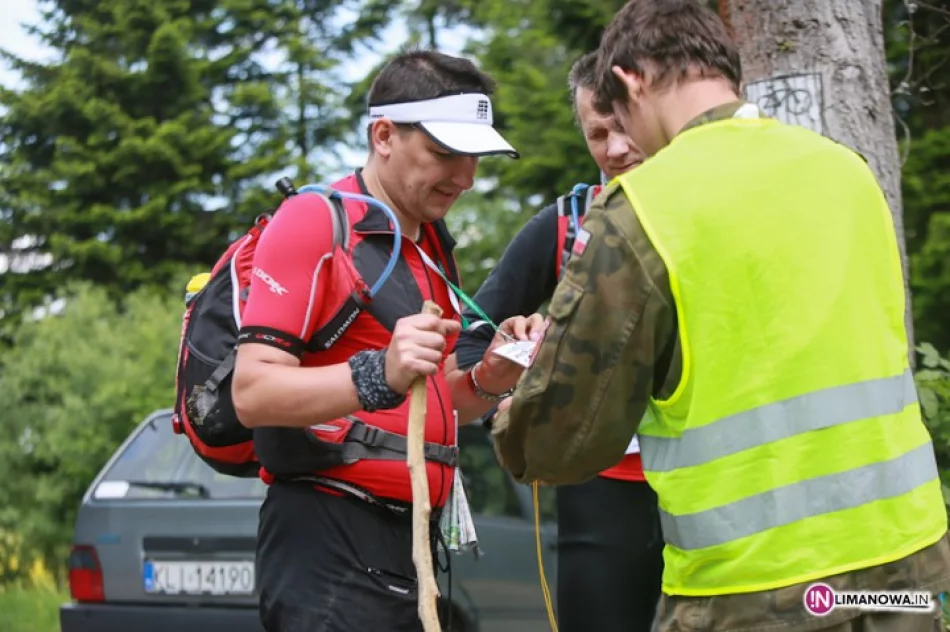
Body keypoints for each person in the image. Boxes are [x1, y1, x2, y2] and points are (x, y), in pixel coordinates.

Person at [490, 2, 950, 631]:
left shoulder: (644, 210)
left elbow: (557, 442)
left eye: (618, 118)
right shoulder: (846, 171)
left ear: (630, 81)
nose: (624, 144)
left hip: (759, 587)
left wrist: (510, 413)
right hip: (909, 569)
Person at [231, 49, 538, 632]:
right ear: (384, 135)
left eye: (474, 156)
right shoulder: (314, 221)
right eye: (445, 153)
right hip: (326, 540)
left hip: (412, 544)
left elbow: (435, 401)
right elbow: (252, 390)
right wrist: (380, 372)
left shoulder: (430, 244)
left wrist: (490, 377)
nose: (466, 177)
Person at [446, 51, 663, 632]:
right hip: (602, 483)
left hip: (714, 478)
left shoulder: (718, 212)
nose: (615, 148)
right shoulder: (565, 223)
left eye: (625, 126)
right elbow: (469, 346)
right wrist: (519, 357)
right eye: (598, 132)